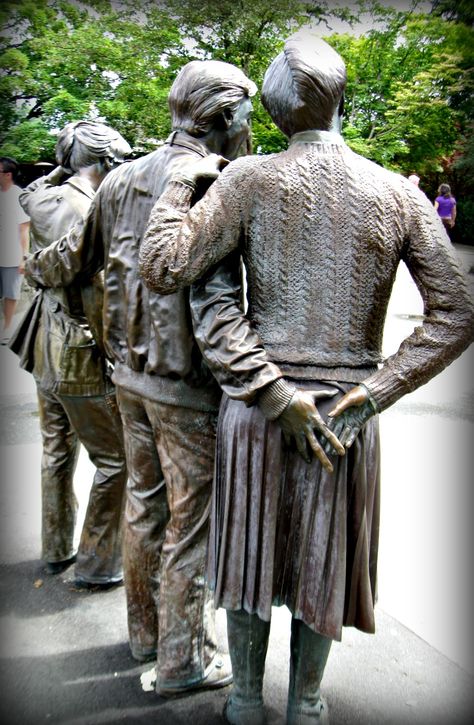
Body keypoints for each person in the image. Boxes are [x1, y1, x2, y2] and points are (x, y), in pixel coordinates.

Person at [140, 34, 474, 724]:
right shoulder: (396, 194)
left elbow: (162, 263)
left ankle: (241, 701)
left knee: (247, 559)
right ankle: (307, 702)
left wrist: (182, 173)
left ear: (275, 111)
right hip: (343, 415)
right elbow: (457, 313)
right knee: (323, 563)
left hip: (263, 405)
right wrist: (374, 392)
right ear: (342, 100)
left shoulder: (245, 179)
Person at [23, 60, 258, 695]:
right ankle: (185, 660)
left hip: (128, 376)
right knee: (193, 522)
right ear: (223, 119)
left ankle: (146, 635)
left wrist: (31, 269)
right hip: (187, 384)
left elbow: (69, 261)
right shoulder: (217, 179)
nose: (251, 128)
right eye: (246, 115)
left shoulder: (121, 179)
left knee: (145, 505)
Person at [11, 122, 130, 586]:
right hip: (77, 347)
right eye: (116, 161)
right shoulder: (85, 211)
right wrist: (114, 352)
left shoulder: (43, 197)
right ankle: (99, 562)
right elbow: (96, 291)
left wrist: (64, 168)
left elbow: (36, 186)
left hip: (43, 342)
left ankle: (56, 547)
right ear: (102, 162)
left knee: (57, 449)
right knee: (117, 459)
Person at [0, 157, 30, 344]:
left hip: (11, 256)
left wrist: (23, 258)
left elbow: (24, 228)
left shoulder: (18, 196)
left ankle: (7, 327)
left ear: (8, 175)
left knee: (11, 295)